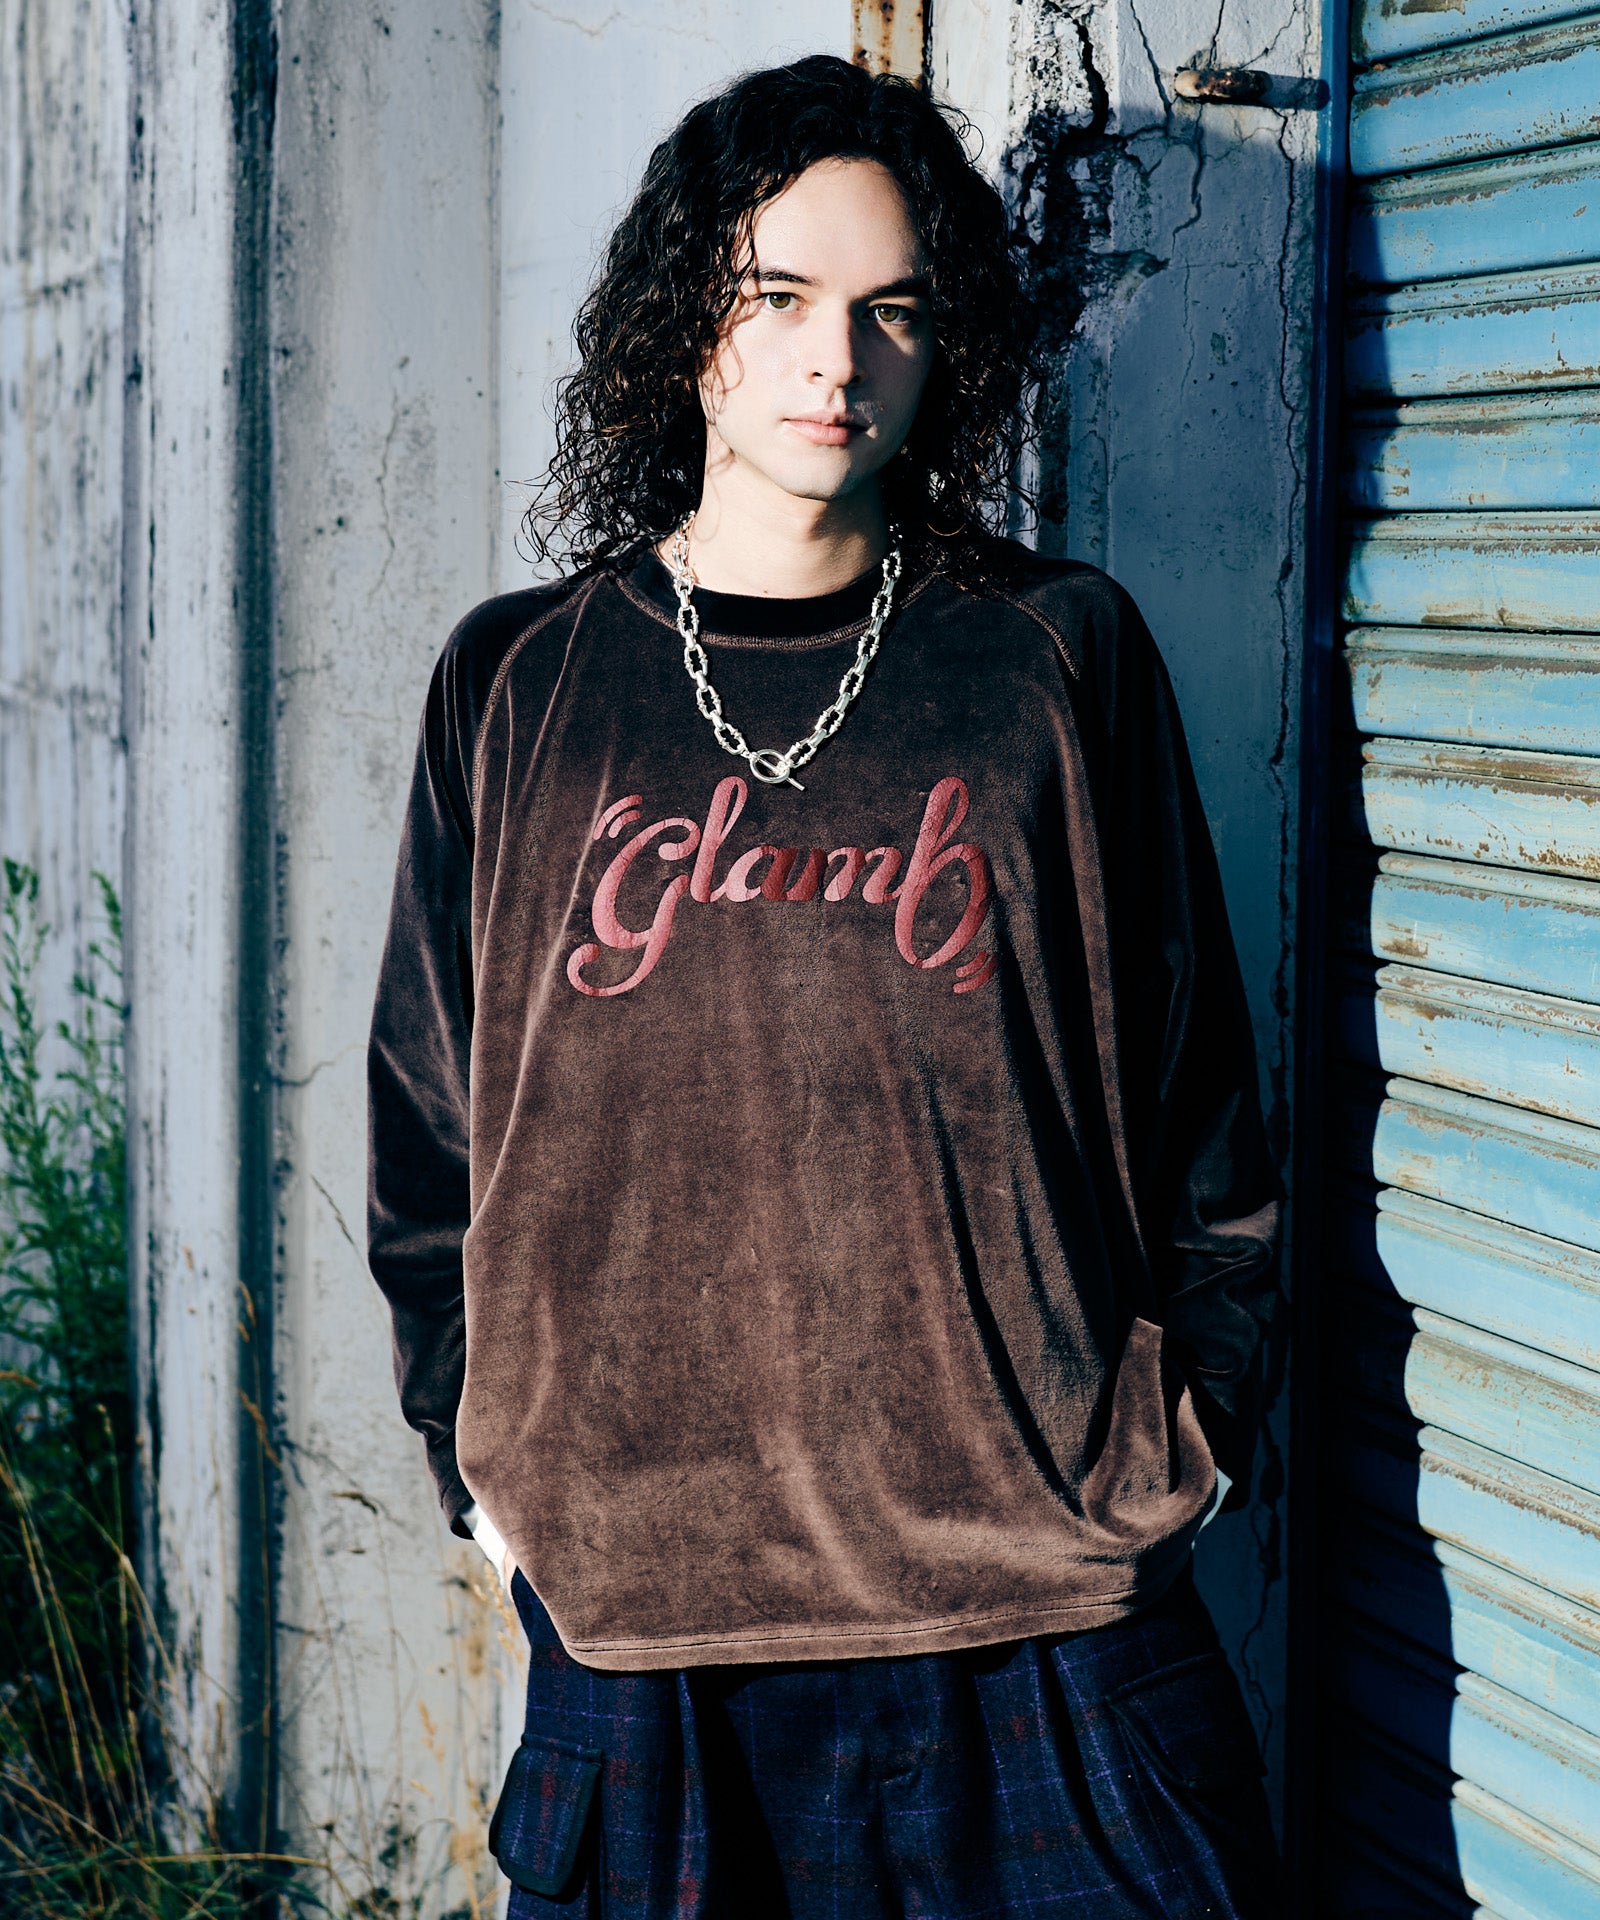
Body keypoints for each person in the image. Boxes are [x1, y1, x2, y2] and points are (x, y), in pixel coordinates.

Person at [368, 53, 1283, 1920]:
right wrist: (489, 1469)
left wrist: (1193, 1440)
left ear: (948, 349)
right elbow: (428, 1134)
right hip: (654, 1644)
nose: (836, 360)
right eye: (777, 295)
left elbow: (1201, 1105)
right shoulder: (523, 681)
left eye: (892, 310)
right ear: (681, 318)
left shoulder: (1050, 655)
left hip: (1043, 1616)